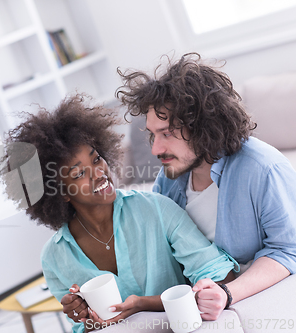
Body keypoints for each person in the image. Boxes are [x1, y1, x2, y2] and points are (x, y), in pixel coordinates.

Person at [0, 94, 236, 333]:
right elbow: (89, 329)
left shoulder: (155, 210)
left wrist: (143, 304)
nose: (99, 173)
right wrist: (85, 318)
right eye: (79, 174)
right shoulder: (55, 257)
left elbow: (218, 278)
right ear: (61, 193)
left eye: (96, 159)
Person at [117, 52, 296, 317]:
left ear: (203, 126)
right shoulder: (169, 180)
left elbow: (287, 249)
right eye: (152, 135)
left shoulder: (263, 168)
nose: (156, 149)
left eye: (167, 133)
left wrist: (226, 293)